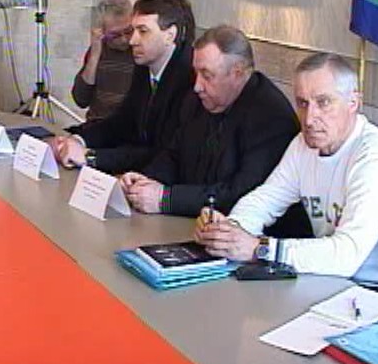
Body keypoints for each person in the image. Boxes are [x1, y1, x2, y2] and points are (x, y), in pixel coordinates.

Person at [194, 52, 378, 292]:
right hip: (333, 281)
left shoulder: (376, 156)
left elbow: (347, 256)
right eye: (303, 103)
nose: (310, 119)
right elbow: (264, 200)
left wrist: (259, 248)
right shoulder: (304, 144)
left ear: (353, 102)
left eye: (323, 102)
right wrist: (228, 232)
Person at [120, 25, 311, 237]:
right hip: (192, 226)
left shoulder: (270, 117)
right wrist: (145, 180)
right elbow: (173, 155)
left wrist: (166, 199)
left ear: (237, 74)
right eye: (196, 73)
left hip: (253, 239)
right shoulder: (196, 100)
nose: (197, 86)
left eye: (207, 75)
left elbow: (240, 194)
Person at [53, 0, 195, 174]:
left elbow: (161, 151)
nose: (132, 41)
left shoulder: (189, 76)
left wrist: (91, 157)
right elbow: (122, 123)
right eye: (133, 31)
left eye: (142, 31)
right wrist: (77, 139)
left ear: (170, 35)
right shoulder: (145, 64)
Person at [71, 0, 135, 122]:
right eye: (115, 35)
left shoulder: (140, 50)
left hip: (129, 126)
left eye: (128, 31)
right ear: (102, 32)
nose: (124, 39)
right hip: (98, 122)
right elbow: (81, 100)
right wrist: (95, 55)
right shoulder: (99, 49)